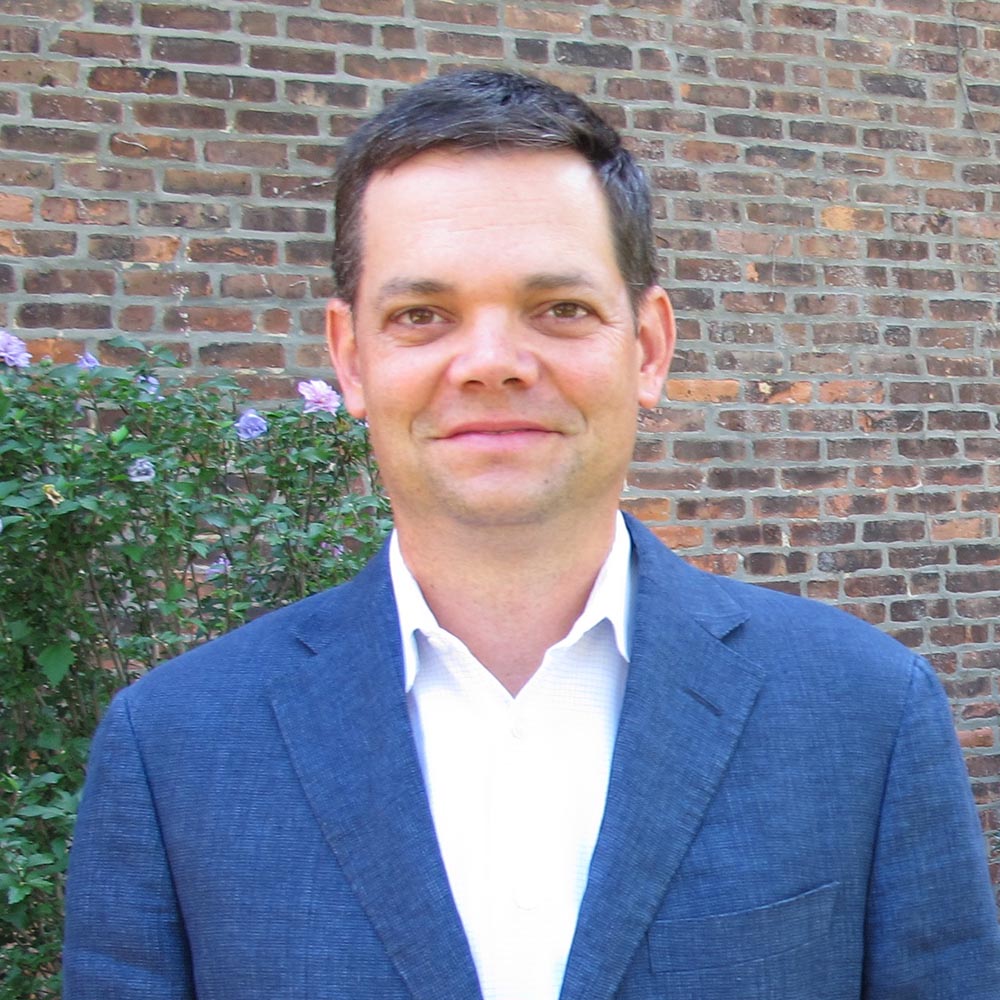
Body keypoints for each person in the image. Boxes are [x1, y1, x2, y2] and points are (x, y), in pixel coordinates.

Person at [63, 69, 999, 1000]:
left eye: (560, 309)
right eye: (422, 315)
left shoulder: (864, 713)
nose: (493, 364)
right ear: (351, 358)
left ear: (649, 345)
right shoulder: (174, 749)